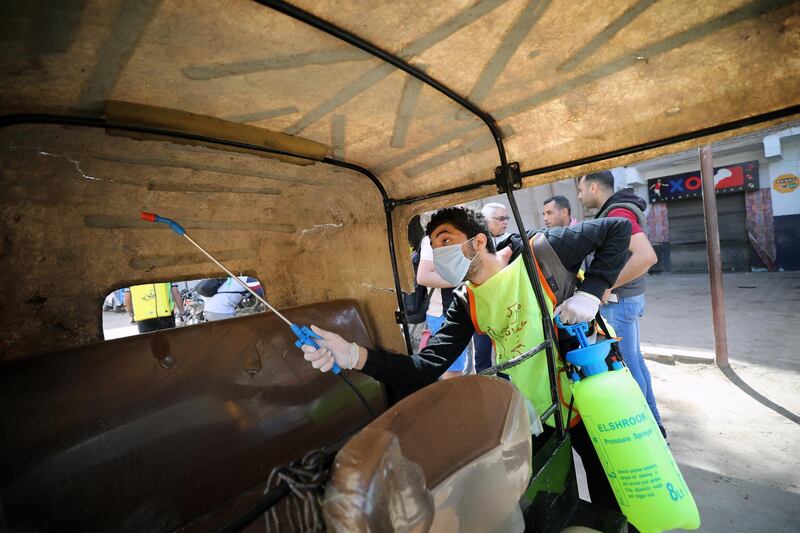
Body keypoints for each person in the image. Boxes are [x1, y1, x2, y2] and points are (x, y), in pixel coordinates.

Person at [300, 206, 632, 511]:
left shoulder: (539, 251)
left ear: (478, 241)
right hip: (535, 411)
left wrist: (592, 292)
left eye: (446, 240)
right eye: (434, 245)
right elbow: (425, 367)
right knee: (548, 497)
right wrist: (353, 355)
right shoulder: (464, 303)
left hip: (589, 393)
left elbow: (617, 229)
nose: (440, 252)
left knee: (615, 493)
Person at [578, 170, 665, 438]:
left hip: (620, 302)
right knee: (634, 361)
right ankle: (654, 424)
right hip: (626, 300)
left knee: (626, 366)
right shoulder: (616, 211)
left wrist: (606, 285)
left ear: (594, 188)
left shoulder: (617, 214)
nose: (579, 195)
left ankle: (645, 429)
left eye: (581, 189)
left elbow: (646, 256)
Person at [417, 234, 471, 379]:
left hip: (455, 313)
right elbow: (423, 276)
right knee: (452, 373)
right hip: (443, 315)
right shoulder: (431, 240)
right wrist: (463, 280)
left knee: (457, 370)